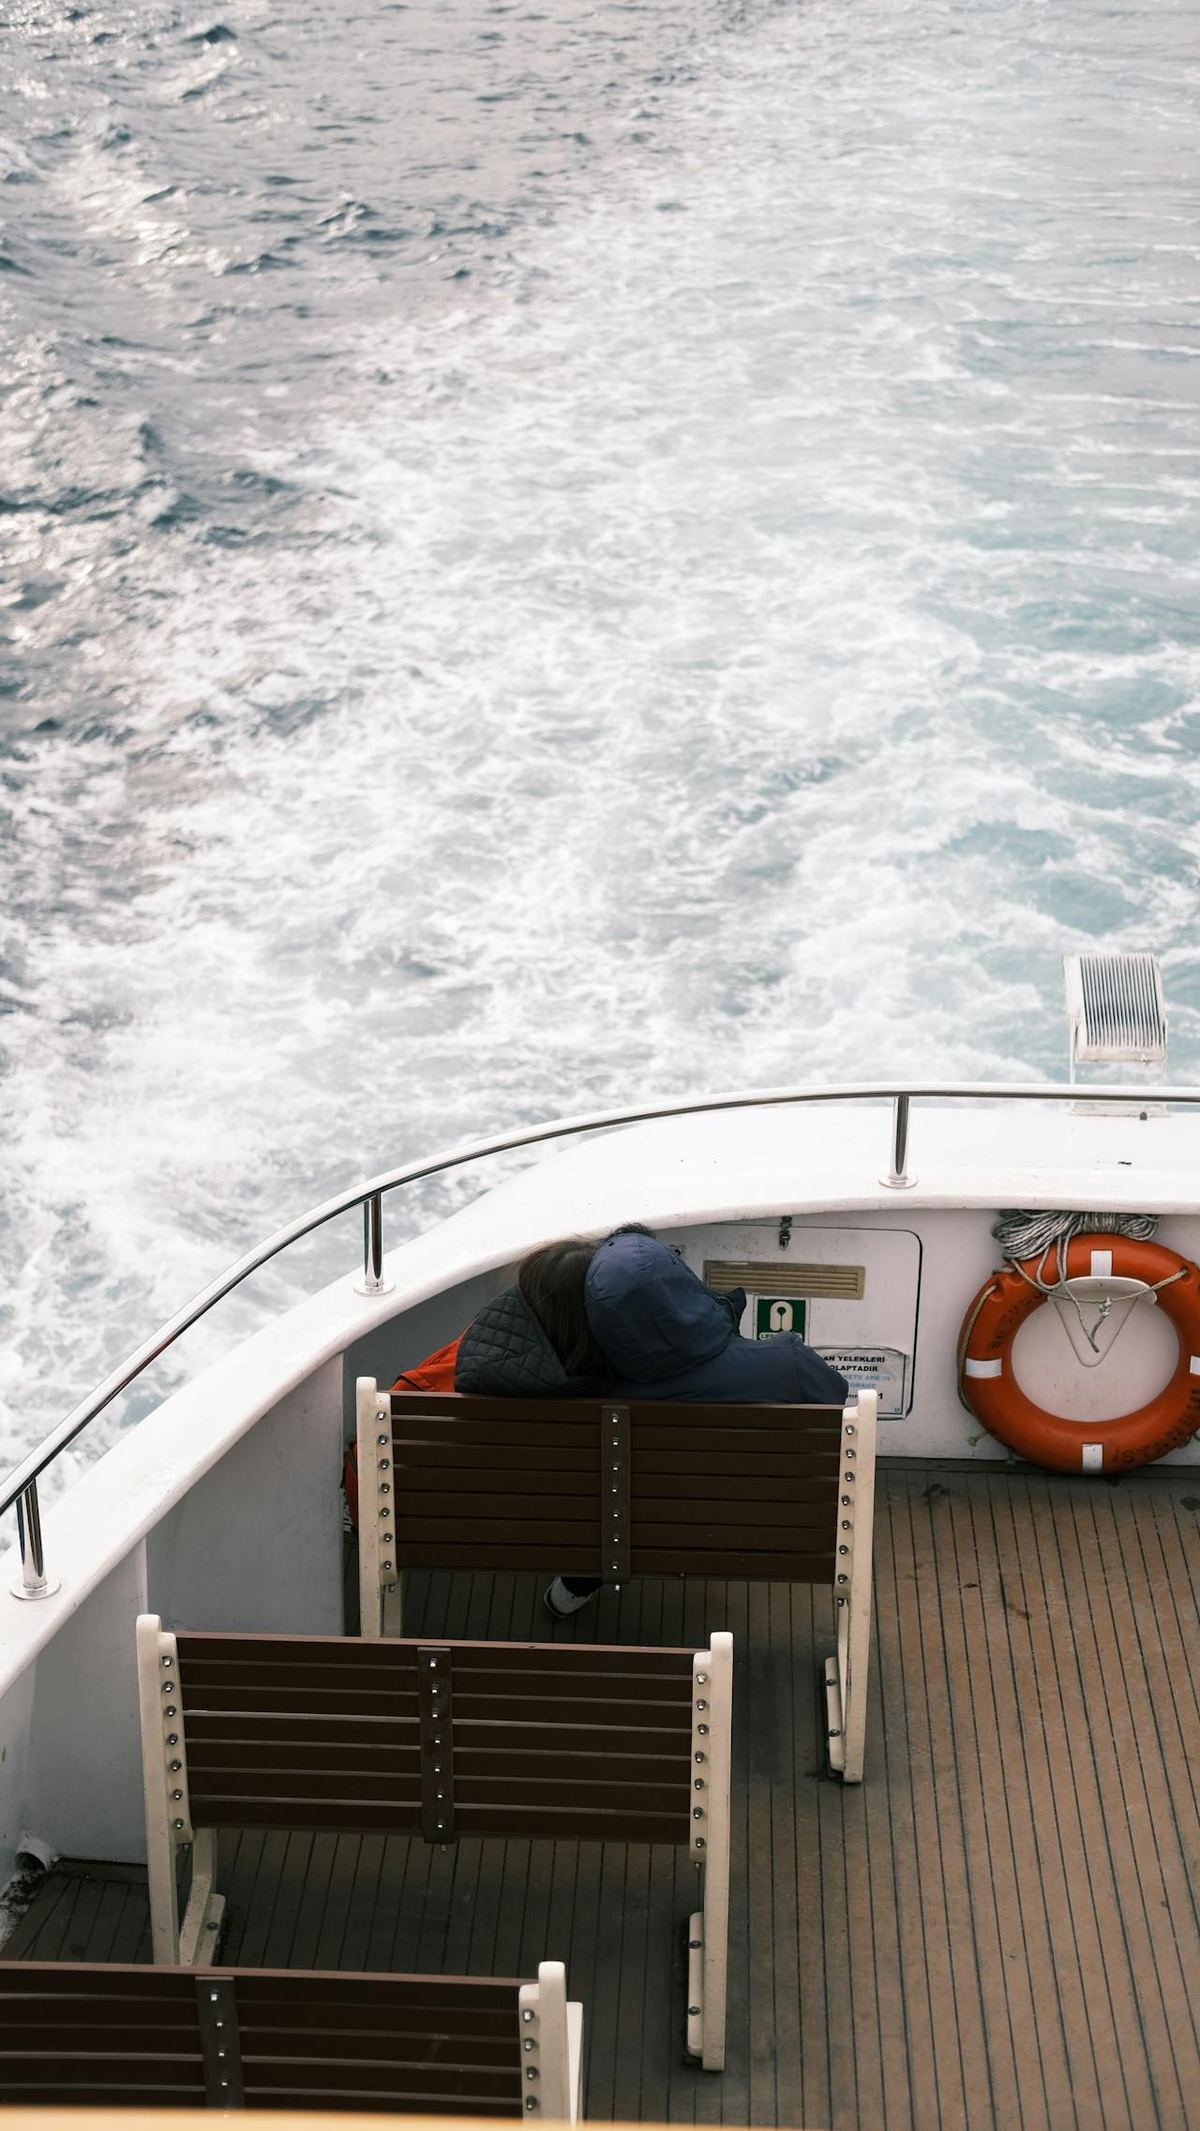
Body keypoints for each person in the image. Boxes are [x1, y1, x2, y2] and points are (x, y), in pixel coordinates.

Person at [541, 1225, 849, 1619]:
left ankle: (575, 1586)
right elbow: (837, 1426)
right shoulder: (789, 1367)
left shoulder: (579, 1395)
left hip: (623, 1540)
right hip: (770, 1538)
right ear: (681, 1282)